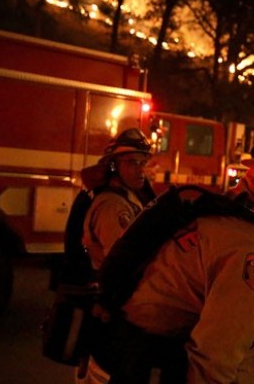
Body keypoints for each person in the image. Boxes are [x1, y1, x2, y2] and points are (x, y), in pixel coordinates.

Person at [105, 129, 254, 383]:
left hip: (127, 354)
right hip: (141, 367)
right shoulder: (249, 248)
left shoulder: (223, 217)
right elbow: (213, 364)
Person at [77, 128, 156, 384]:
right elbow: (123, 261)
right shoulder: (113, 206)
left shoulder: (128, 199)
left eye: (143, 162)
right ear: (113, 166)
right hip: (111, 307)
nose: (140, 169)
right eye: (132, 162)